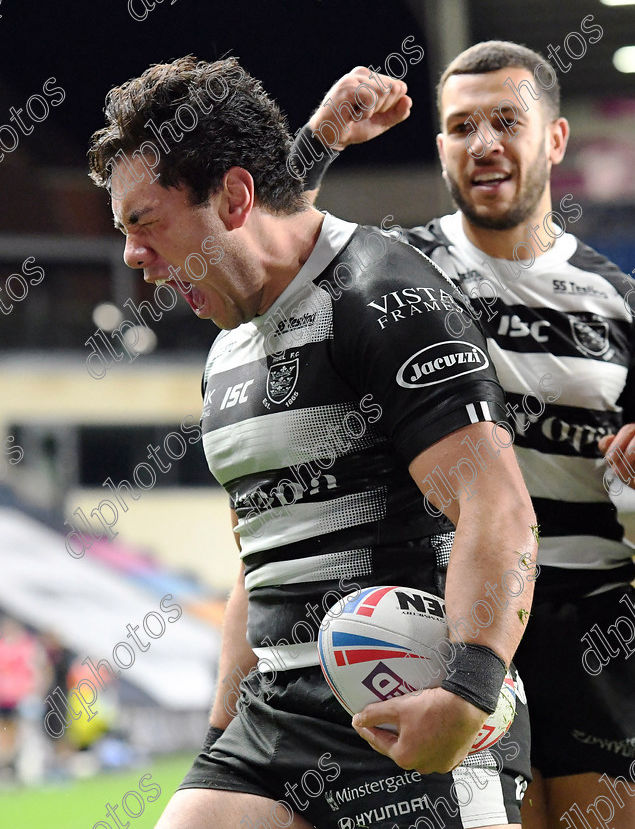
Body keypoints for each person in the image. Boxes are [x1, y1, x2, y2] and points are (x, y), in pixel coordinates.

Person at [88, 55, 538, 829]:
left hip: (407, 698)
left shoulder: (384, 296)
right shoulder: (228, 344)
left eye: (142, 221)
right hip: (272, 721)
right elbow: (256, 556)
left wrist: (466, 692)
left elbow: (496, 510)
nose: (132, 255)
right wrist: (222, 735)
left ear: (233, 196)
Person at [292, 42, 635, 829]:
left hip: (597, 623)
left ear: (554, 138)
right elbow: (264, 247)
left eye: (506, 121)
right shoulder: (395, 267)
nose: (482, 143)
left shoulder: (618, 304)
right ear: (440, 146)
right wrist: (317, 142)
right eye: (460, 126)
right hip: (448, 619)